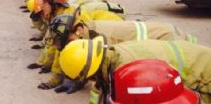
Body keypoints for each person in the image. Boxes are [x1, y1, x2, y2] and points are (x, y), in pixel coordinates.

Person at [59, 37, 211, 103]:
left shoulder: (128, 71)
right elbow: (100, 90)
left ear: (90, 72)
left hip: (204, 73)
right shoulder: (109, 57)